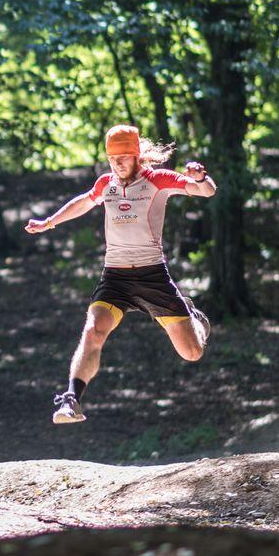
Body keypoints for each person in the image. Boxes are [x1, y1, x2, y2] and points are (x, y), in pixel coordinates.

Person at [25, 124, 217, 424]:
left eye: (124, 157)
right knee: (93, 329)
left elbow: (205, 192)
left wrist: (201, 179)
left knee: (191, 352)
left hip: (152, 275)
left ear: (137, 155)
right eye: (112, 158)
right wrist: (49, 222)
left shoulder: (157, 179)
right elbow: (85, 201)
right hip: (115, 277)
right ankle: (71, 399)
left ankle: (195, 320)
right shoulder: (106, 184)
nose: (117, 164)